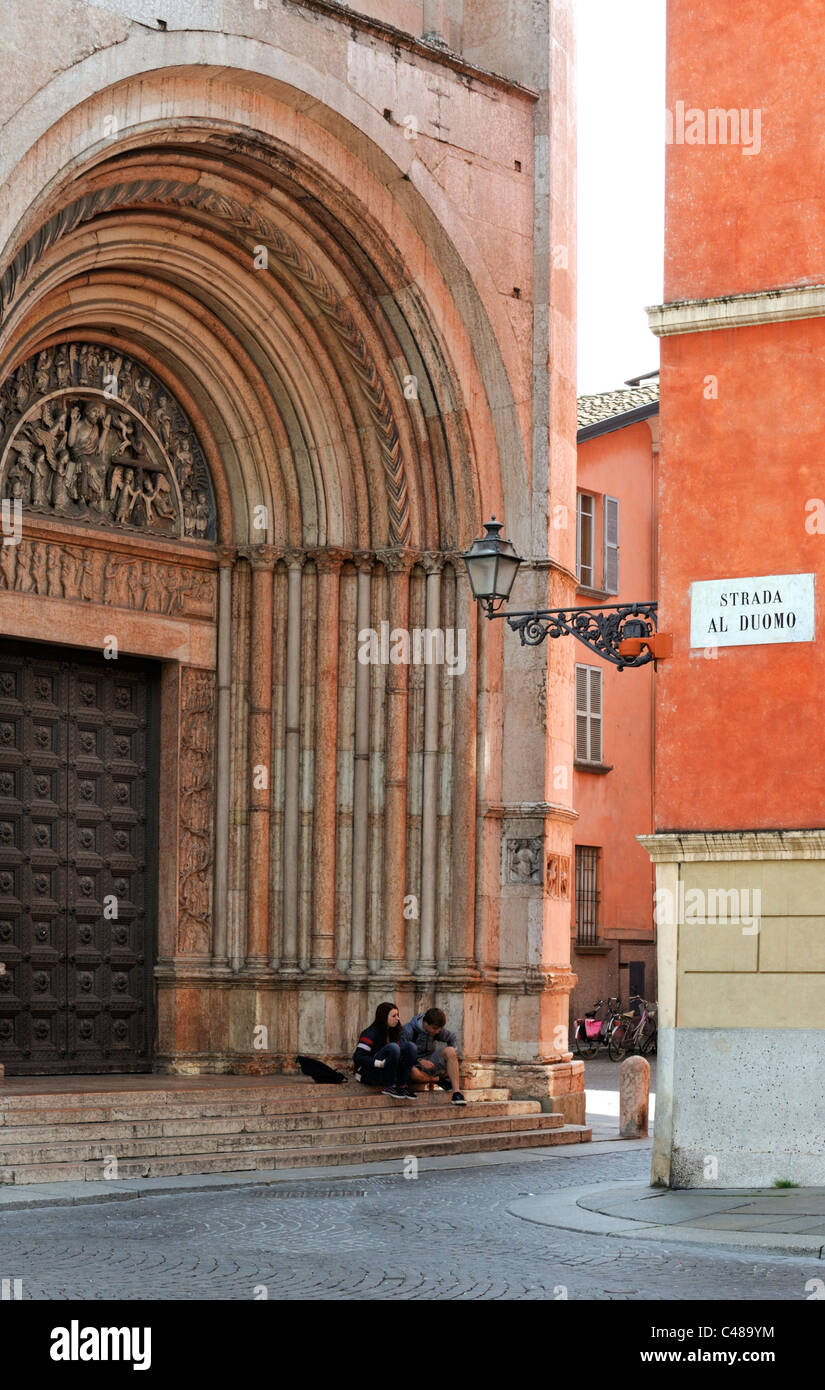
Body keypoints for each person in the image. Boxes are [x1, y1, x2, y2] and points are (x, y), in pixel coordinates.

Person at [352, 1002, 418, 1100]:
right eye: (394, 1016)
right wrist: (379, 1063)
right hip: (368, 1073)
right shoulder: (370, 1032)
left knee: (411, 1047)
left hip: (386, 1072)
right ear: (383, 1017)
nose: (398, 1018)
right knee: (393, 1047)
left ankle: (401, 1085)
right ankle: (389, 1086)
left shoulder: (395, 1031)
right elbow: (358, 1057)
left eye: (398, 1015)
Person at [402, 1007, 466, 1104]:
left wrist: (452, 1058)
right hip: (414, 1064)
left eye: (440, 1028)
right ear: (425, 1023)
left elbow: (451, 1037)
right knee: (413, 1072)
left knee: (450, 1051)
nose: (438, 1031)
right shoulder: (408, 1030)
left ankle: (456, 1093)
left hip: (430, 1061)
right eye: (435, 1028)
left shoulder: (436, 1030)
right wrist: (419, 1060)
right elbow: (402, 1053)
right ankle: (438, 1080)